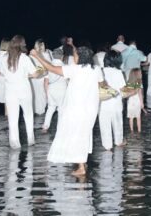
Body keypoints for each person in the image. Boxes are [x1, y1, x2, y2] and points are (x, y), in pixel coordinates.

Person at [30, 46, 102, 176]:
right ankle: (82, 162)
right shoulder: (96, 69)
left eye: (75, 55)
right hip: (91, 109)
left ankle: (81, 167)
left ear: (79, 57)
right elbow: (103, 85)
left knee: (75, 133)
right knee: (84, 133)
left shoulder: (74, 69)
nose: (73, 57)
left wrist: (37, 56)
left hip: (76, 108)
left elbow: (51, 68)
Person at [0, 35, 42, 149]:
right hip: (24, 91)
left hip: (10, 93)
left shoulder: (3, 58)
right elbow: (35, 74)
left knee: (12, 118)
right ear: (22, 45)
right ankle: (31, 140)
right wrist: (38, 71)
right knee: (28, 115)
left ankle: (15, 144)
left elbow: (1, 73)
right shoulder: (24, 58)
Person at [99, 50, 127, 149]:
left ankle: (107, 146)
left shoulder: (100, 71)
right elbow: (123, 88)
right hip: (116, 102)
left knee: (104, 125)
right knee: (118, 123)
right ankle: (118, 142)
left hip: (103, 103)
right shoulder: (118, 72)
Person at [42, 49, 68, 132]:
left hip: (51, 90)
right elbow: (68, 81)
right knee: (61, 109)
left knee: (50, 109)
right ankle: (60, 129)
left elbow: (46, 81)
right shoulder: (65, 66)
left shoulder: (48, 66)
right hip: (62, 90)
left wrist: (46, 93)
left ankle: (45, 127)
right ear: (62, 56)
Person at [30, 39, 52, 115]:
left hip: (34, 76)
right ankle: (41, 111)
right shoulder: (46, 54)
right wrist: (40, 70)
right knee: (41, 94)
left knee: (35, 93)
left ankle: (35, 111)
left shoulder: (31, 54)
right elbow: (49, 65)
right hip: (42, 75)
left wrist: (37, 71)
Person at [126, 68, 146, 133]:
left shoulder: (128, 83)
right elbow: (140, 94)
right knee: (138, 117)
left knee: (131, 118)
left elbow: (126, 94)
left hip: (130, 102)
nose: (141, 74)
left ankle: (131, 131)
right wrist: (142, 103)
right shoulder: (138, 83)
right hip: (137, 101)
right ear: (137, 75)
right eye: (140, 73)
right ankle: (139, 131)